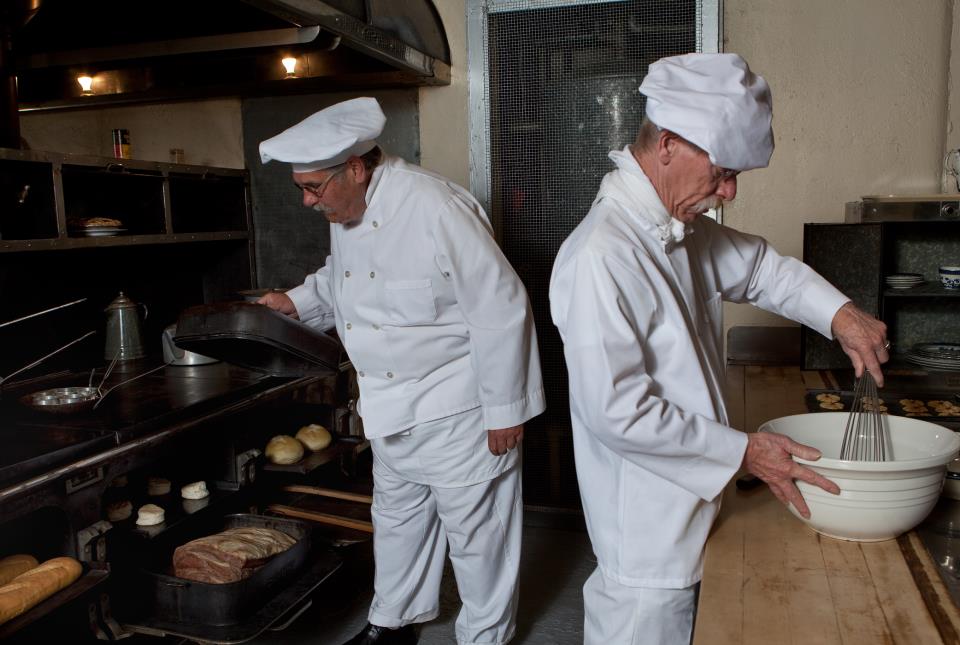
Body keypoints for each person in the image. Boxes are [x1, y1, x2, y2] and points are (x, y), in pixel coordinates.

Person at [548, 53, 889, 644]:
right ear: (669, 145)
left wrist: (841, 314)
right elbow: (619, 412)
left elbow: (760, 269)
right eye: (723, 172)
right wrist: (744, 452)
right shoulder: (602, 256)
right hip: (649, 536)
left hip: (697, 505)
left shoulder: (680, 230)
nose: (727, 192)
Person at [257, 97, 545, 645]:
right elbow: (344, 277)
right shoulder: (347, 208)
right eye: (301, 187)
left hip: (458, 409)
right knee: (397, 521)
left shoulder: (435, 208)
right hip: (389, 410)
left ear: (357, 167)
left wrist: (507, 410)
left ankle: (486, 637)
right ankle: (394, 622)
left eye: (313, 187)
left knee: (478, 538)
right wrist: (294, 302)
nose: (307, 201)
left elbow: (501, 306)